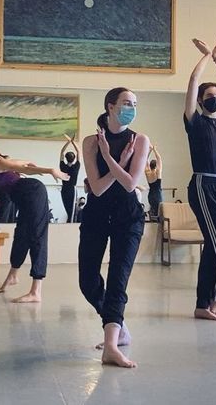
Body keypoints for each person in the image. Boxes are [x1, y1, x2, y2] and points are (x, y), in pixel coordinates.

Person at [80, 87, 150, 368]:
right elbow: (97, 188)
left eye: (134, 104)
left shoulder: (140, 140)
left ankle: (111, 344)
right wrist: (117, 162)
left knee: (117, 279)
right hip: (96, 215)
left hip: (128, 217)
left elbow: (131, 184)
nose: (131, 108)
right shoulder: (90, 142)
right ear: (110, 106)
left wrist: (111, 159)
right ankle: (117, 325)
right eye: (126, 103)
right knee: (87, 282)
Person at [0, 130, 69, 303]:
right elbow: (19, 164)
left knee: (37, 236)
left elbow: (23, 169)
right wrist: (24, 162)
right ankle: (13, 275)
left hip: (32, 192)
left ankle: (36, 291)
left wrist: (50, 170)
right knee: (21, 235)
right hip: (22, 200)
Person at [183, 38, 216, 321]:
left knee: (214, 246)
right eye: (210, 95)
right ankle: (213, 301)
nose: (215, 98)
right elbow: (193, 81)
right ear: (202, 100)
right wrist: (205, 57)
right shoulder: (194, 121)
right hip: (202, 185)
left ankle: (202, 304)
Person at [59, 133, 81, 221]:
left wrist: (68, 142)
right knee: (72, 211)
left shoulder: (63, 166)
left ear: (66, 158)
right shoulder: (76, 167)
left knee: (68, 210)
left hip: (64, 189)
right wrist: (72, 142)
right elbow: (78, 151)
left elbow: (62, 152)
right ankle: (70, 224)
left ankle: (69, 223)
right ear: (74, 158)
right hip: (72, 189)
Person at [145, 145, 164, 219]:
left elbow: (145, 159)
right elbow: (159, 159)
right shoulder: (157, 172)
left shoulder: (147, 172)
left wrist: (149, 150)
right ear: (156, 166)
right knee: (159, 215)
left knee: (153, 213)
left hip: (150, 195)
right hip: (157, 195)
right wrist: (154, 149)